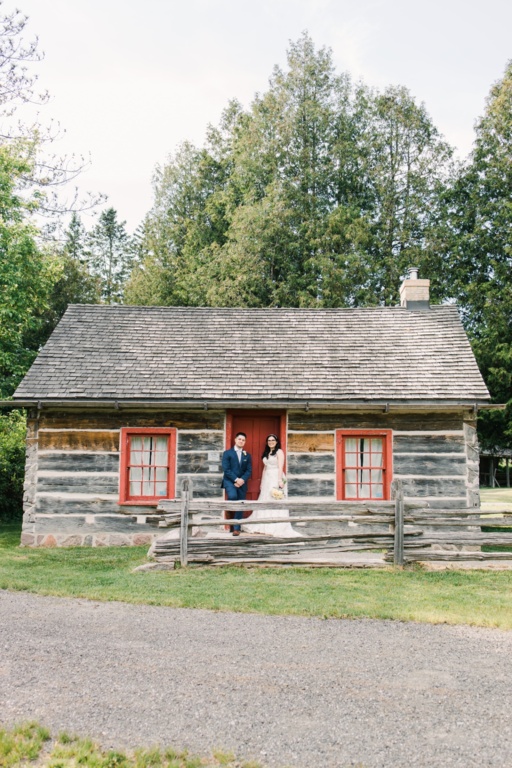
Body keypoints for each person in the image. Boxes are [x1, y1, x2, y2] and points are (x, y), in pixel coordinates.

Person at [246, 434, 300, 537]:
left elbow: (280, 467)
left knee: (275, 498)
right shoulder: (267, 452)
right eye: (269, 440)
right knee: (265, 498)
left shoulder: (279, 452)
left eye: (273, 440)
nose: (271, 442)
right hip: (267, 478)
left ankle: (275, 525)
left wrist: (279, 480)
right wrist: (262, 482)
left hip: (276, 477)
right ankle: (263, 525)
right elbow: (265, 468)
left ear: (276, 442)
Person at [221, 432, 252, 535]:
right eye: (239, 439)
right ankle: (229, 514)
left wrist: (241, 480)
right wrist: (236, 479)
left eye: (243, 440)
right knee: (233, 497)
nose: (241, 441)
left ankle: (236, 528)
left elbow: (249, 470)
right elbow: (226, 469)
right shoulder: (227, 453)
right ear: (235, 440)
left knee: (241, 503)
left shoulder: (247, 455)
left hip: (242, 482)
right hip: (229, 481)